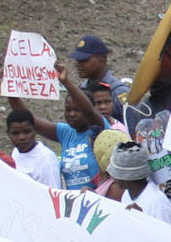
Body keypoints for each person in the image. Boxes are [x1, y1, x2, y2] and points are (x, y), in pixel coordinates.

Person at [7, 60, 106, 191]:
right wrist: (9, 88)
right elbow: (30, 121)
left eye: (77, 110)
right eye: (67, 110)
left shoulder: (98, 129)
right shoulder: (66, 133)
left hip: (99, 201)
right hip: (73, 204)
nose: (71, 114)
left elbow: (88, 111)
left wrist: (66, 82)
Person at [4, 108, 63, 189]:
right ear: (8, 134)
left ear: (35, 130)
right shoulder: (15, 152)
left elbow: (53, 195)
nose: (21, 137)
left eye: (27, 132)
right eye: (15, 133)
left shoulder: (46, 159)